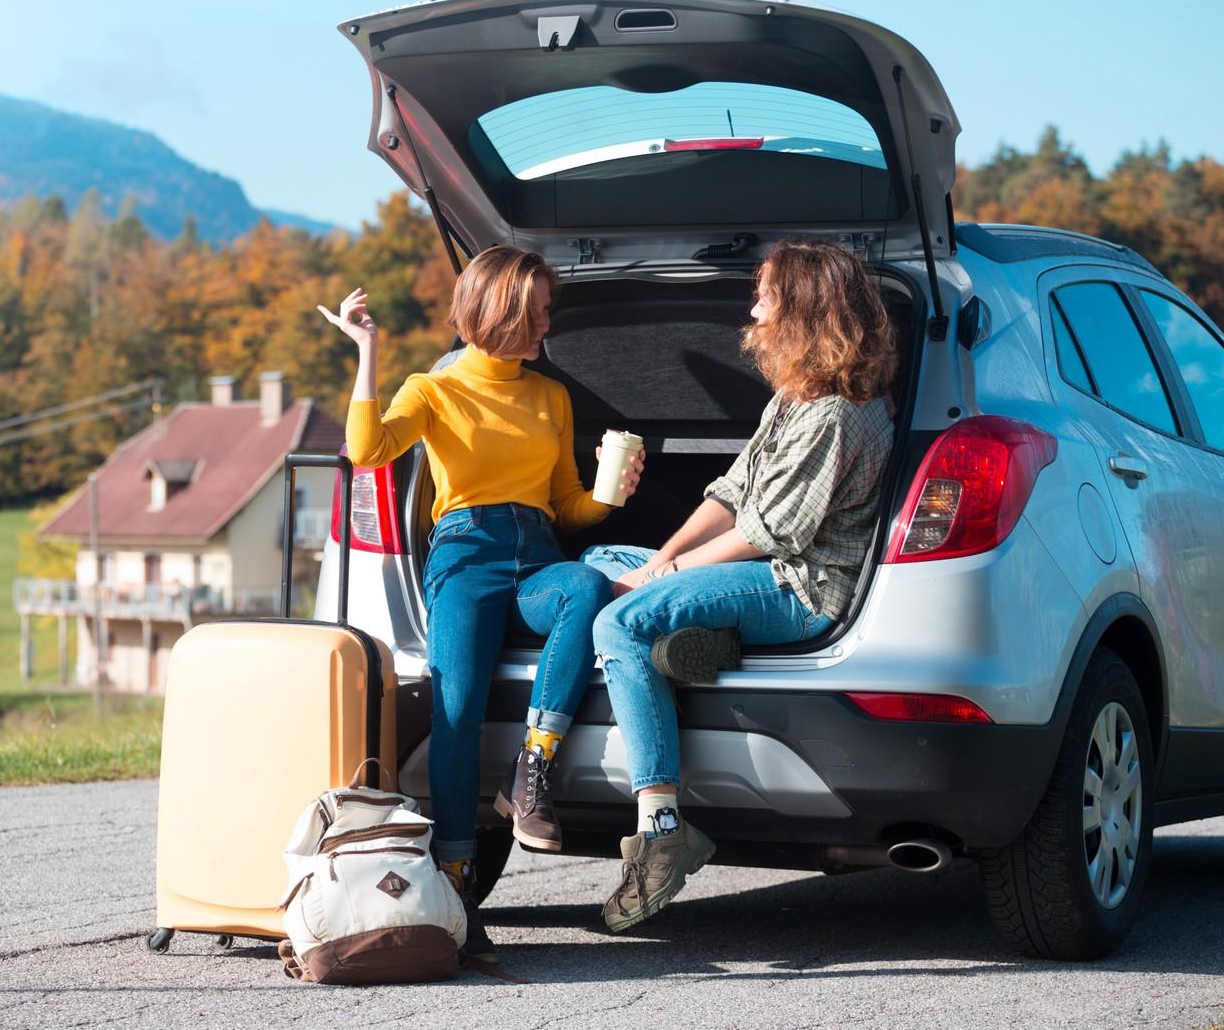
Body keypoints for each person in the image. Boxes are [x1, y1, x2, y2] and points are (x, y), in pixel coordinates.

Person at [320, 245, 644, 963]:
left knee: (585, 587)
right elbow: (367, 448)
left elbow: (566, 506)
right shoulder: (434, 390)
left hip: (535, 554)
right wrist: (367, 351)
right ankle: (459, 883)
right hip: (464, 555)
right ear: (498, 314)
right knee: (456, 710)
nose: (546, 327)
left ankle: (533, 767)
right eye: (537, 313)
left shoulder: (550, 397)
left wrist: (609, 495)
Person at [583, 238, 898, 933]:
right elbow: (734, 492)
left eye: (765, 294)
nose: (752, 306)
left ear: (803, 308)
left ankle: (663, 827)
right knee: (604, 555)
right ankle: (702, 639)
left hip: (799, 587)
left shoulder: (835, 412)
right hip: (757, 566)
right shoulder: (795, 394)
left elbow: (771, 532)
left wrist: (663, 579)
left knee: (616, 622)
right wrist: (662, 555)